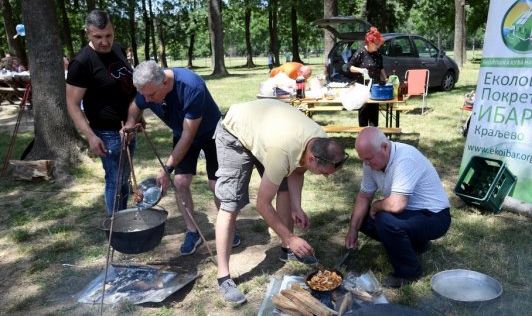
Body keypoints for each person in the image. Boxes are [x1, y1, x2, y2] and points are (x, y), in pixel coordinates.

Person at [213, 99, 347, 304]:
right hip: (235, 132)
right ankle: (223, 276)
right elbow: (262, 204)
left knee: (283, 189)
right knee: (231, 203)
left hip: (268, 132)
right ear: (313, 158)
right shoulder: (282, 152)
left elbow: (298, 170)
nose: (325, 177)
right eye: (323, 172)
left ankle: (287, 249)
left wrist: (297, 206)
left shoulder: (319, 140)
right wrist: (292, 237)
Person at [124, 60, 239, 255]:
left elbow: (188, 136)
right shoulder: (149, 89)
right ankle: (192, 232)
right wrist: (130, 122)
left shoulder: (192, 87)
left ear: (165, 83)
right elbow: (136, 105)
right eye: (145, 94)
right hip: (182, 133)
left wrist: (166, 168)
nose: (148, 100)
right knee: (180, 182)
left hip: (211, 134)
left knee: (215, 185)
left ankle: (228, 229)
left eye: (151, 95)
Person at [345, 127, 451, 288]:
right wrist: (353, 229)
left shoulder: (406, 157)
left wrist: (376, 205)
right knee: (361, 218)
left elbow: (397, 204)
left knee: (385, 219)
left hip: (435, 217)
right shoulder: (370, 162)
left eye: (369, 158)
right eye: (363, 159)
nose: (366, 163)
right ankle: (417, 245)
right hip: (412, 215)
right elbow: (364, 196)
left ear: (385, 147)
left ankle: (410, 273)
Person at [66, 10, 137, 216]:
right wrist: (91, 136)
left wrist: (135, 118)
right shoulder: (81, 63)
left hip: (128, 127)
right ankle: (117, 227)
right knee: (115, 180)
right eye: (98, 37)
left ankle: (122, 218)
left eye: (108, 35)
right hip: (107, 133)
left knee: (124, 176)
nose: (105, 42)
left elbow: (128, 87)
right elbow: (72, 104)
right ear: (88, 33)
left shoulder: (118, 49)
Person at [348, 27, 388, 127]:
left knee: (374, 116)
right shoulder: (360, 52)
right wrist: (360, 70)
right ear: (370, 42)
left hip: (375, 88)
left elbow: (380, 67)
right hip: (362, 89)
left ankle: (373, 138)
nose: (378, 46)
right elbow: (350, 67)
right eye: (377, 43)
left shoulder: (377, 53)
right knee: (363, 115)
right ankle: (363, 137)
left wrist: (385, 78)